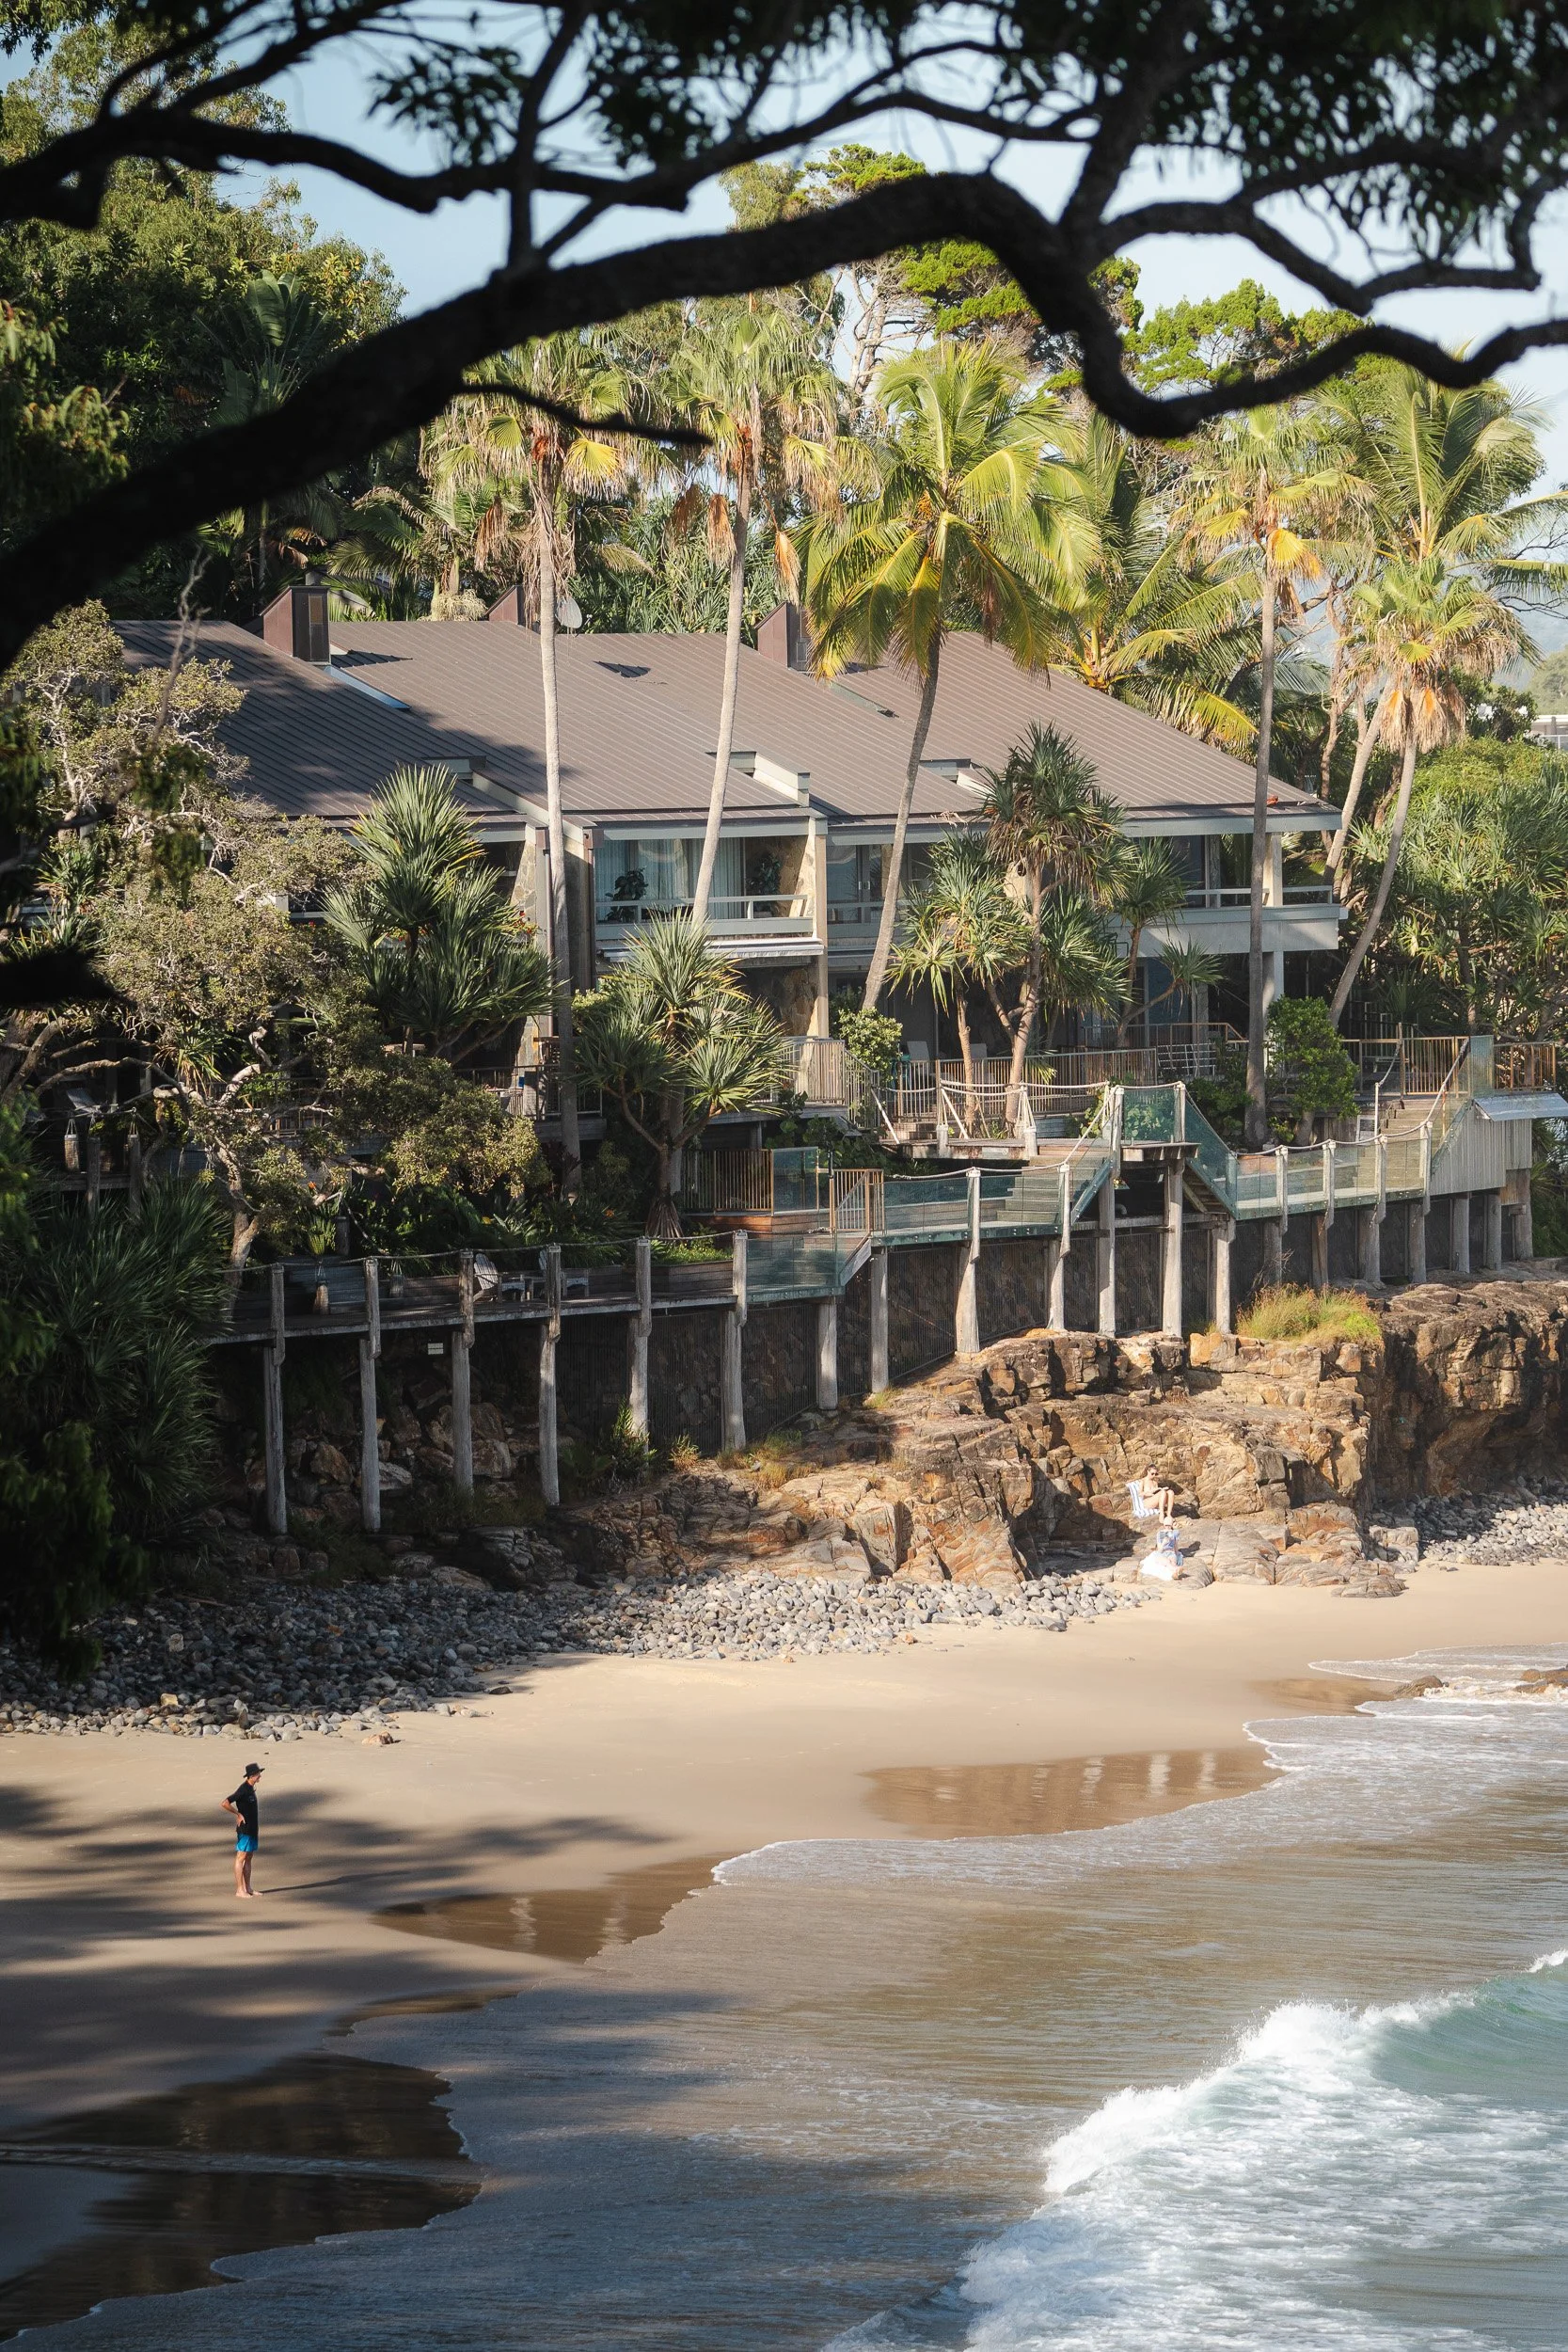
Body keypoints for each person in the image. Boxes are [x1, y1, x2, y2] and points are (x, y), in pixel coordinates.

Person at [223, 1763, 263, 1898]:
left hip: (253, 1829)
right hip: (244, 1830)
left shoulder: (251, 1788)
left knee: (249, 1857)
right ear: (252, 1776)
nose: (260, 1776)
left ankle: (248, 1888)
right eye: (258, 1774)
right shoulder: (243, 1789)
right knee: (241, 1857)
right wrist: (237, 1814)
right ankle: (240, 1890)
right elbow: (225, 1802)